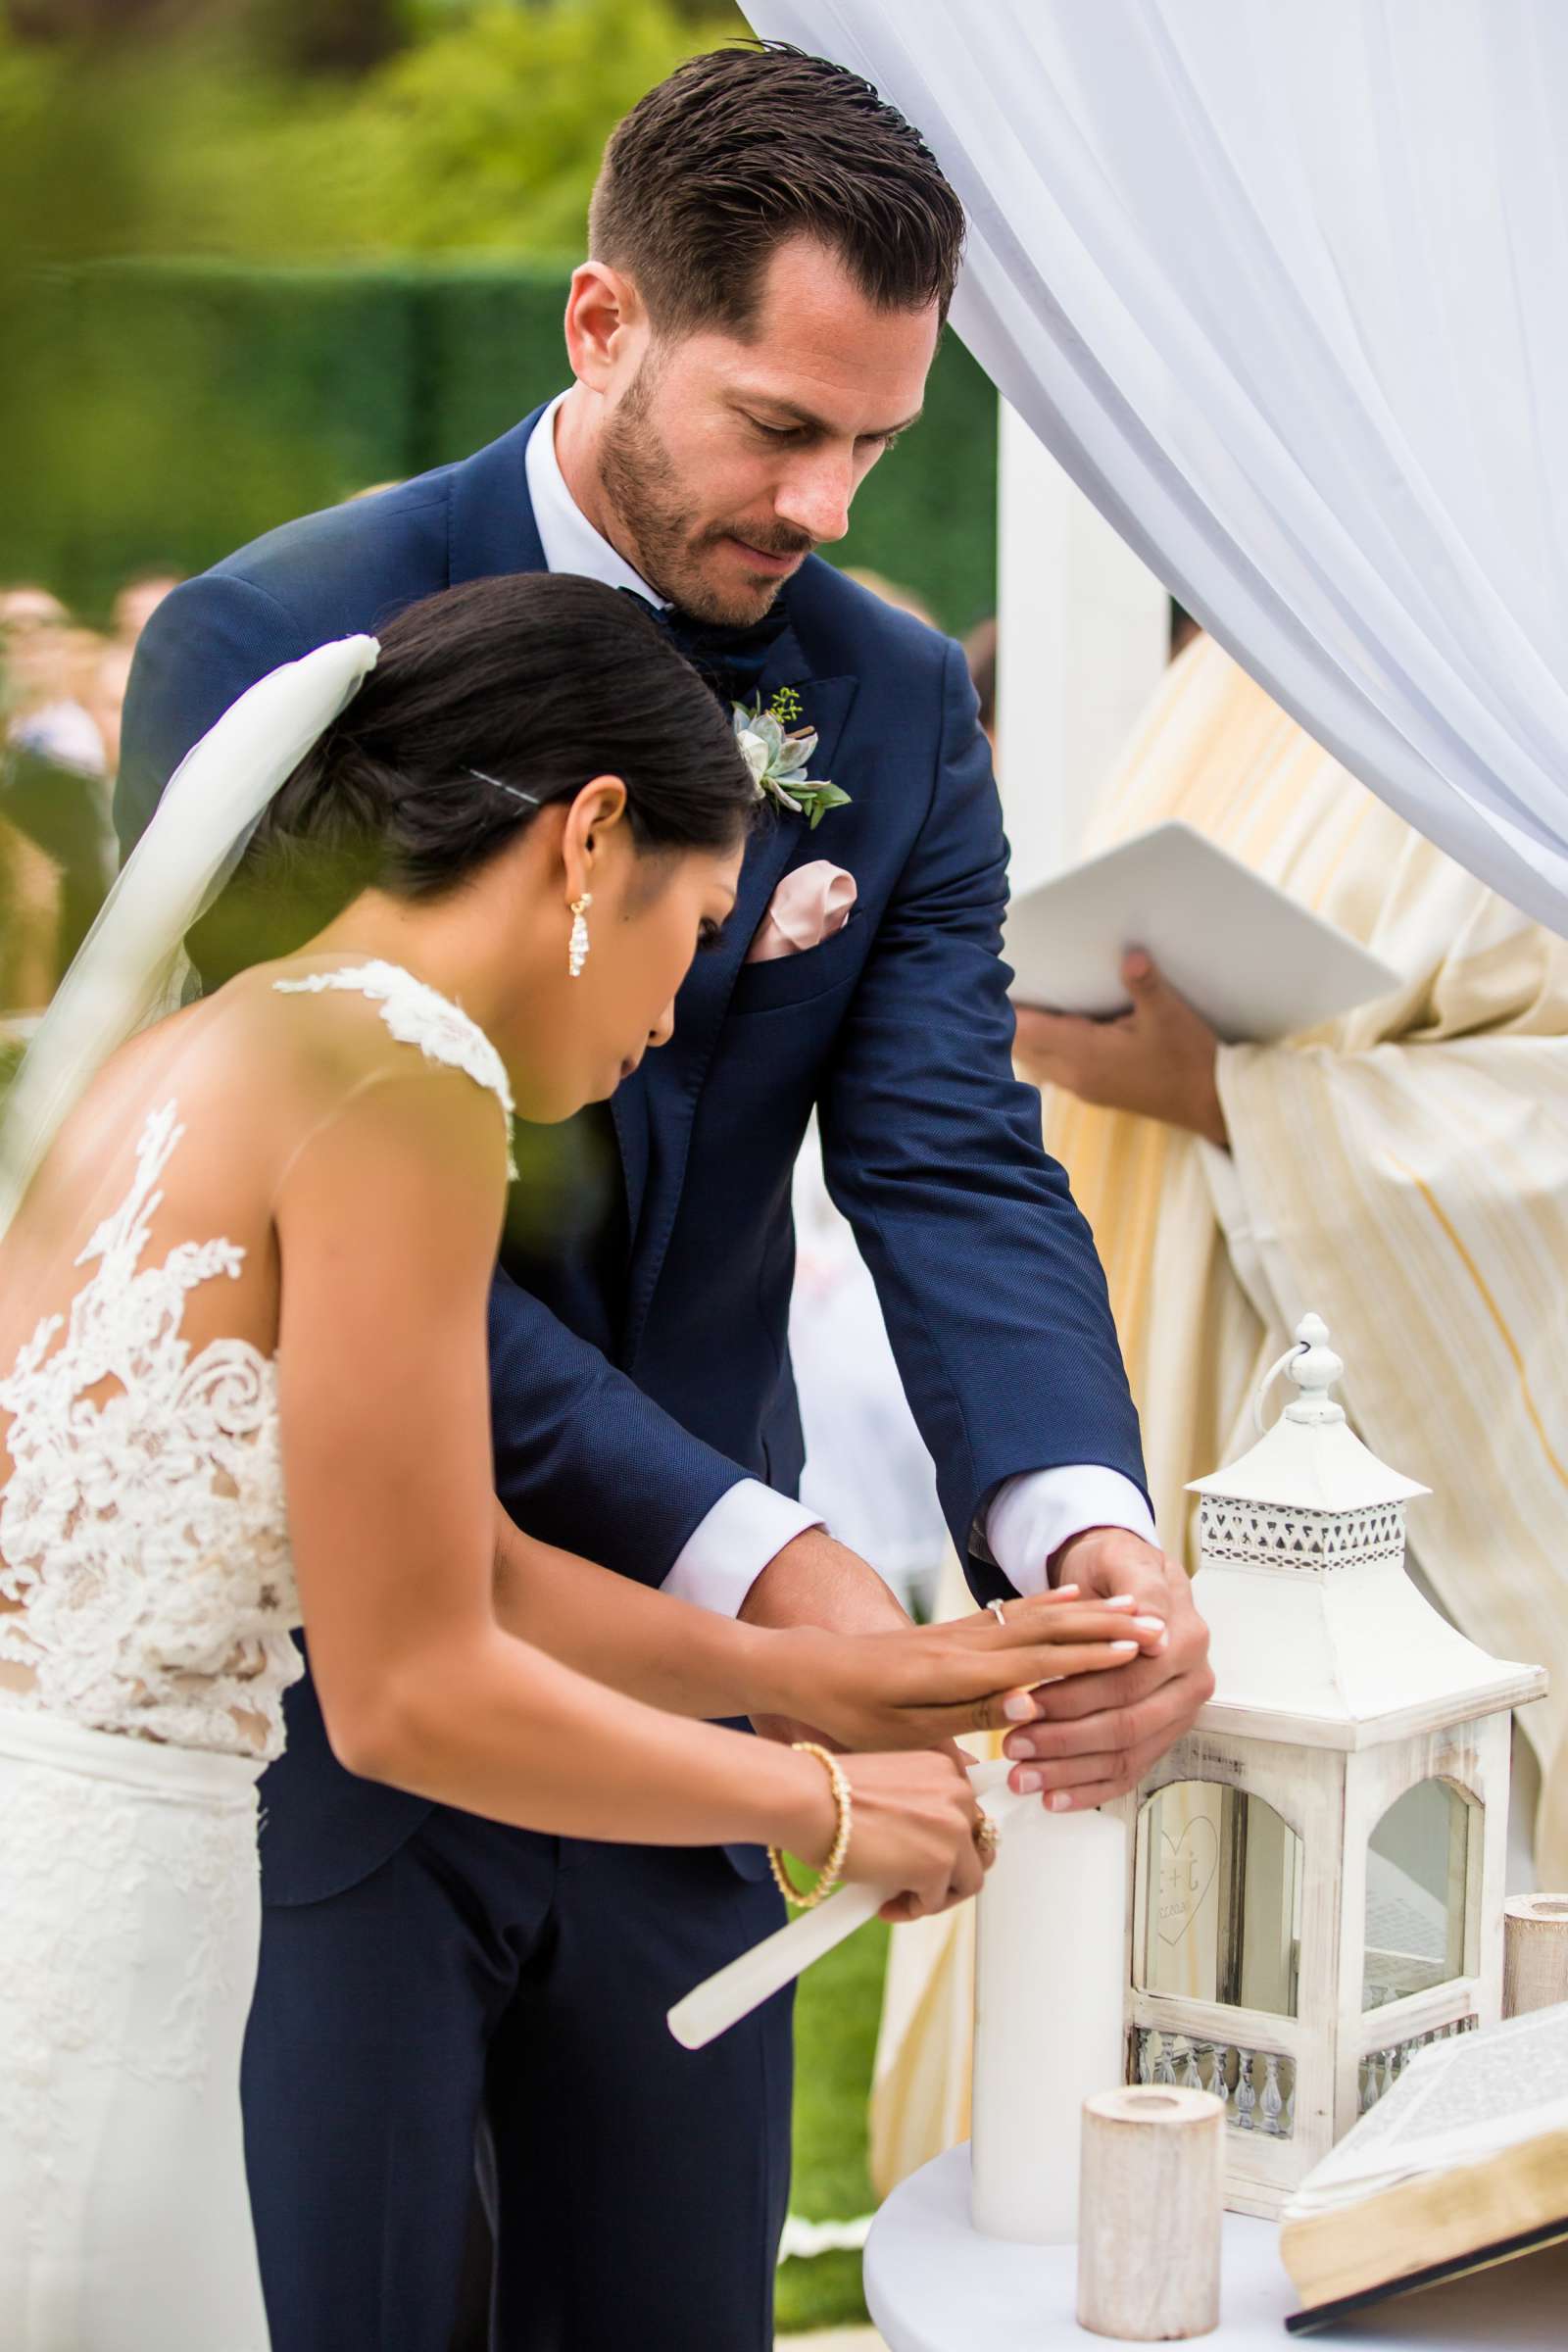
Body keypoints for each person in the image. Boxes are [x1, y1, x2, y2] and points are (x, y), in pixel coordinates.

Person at [119, 44, 1211, 2351]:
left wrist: (1072, 1527)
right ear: (602, 323)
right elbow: (316, 1225)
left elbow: (943, 1149)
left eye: (878, 444)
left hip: (712, 1748)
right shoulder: (277, 651)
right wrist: (771, 1562)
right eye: (776, 424)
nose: (825, 501)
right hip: (339, 1711)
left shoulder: (889, 705)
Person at [0, 571, 1165, 2350]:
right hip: (142, 1965)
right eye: (694, 929)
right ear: (590, 840)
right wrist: (825, 1806)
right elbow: (411, 1692)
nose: (667, 1016)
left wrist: (839, 1677)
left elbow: (459, 1558)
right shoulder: (406, 1082)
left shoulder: (193, 1050)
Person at [870, 623, 1568, 2189]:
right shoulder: (1247, 649)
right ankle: (1099, 2191)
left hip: (1395, 1495)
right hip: (1154, 1348)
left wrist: (1232, 1095)